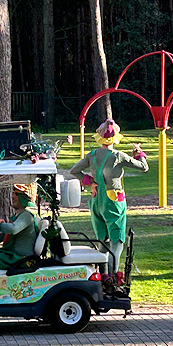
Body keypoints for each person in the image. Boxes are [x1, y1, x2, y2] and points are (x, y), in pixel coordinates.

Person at [69, 119, 149, 280]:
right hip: (113, 200)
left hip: (97, 199)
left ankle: (103, 275)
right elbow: (144, 167)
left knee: (102, 240)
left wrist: (90, 182)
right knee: (117, 240)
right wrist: (139, 153)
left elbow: (74, 170)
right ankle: (114, 275)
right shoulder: (118, 156)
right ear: (115, 137)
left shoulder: (92, 155)